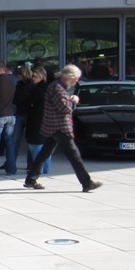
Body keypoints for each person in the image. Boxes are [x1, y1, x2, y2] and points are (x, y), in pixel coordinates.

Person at [24, 64, 101, 192]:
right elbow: (65, 108)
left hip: (53, 126)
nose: (76, 81)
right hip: (59, 126)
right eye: (76, 78)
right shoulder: (57, 88)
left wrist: (69, 100)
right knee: (74, 155)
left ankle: (30, 179)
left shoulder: (58, 86)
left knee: (44, 153)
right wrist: (74, 101)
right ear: (69, 77)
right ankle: (87, 182)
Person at [24, 66, 52, 175]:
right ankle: (45, 169)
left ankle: (38, 169)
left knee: (36, 145)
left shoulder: (38, 89)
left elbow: (29, 102)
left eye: (35, 76)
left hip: (36, 120)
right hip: (46, 120)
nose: (33, 78)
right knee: (44, 145)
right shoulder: (48, 88)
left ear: (41, 76)